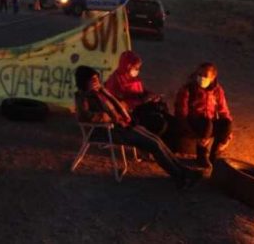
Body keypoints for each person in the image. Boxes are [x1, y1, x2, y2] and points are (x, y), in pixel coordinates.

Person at [74, 66, 202, 189]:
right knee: (153, 145)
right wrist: (108, 117)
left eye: (97, 78)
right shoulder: (83, 97)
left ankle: (184, 171)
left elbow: (117, 105)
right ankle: (179, 177)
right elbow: (85, 117)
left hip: (122, 125)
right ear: (84, 82)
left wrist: (122, 112)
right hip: (108, 130)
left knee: (156, 140)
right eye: (93, 80)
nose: (97, 82)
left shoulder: (101, 92)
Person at [174, 62, 233, 169]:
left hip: (208, 124)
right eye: (199, 75)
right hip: (194, 123)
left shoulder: (217, 90)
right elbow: (181, 113)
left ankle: (214, 157)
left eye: (205, 76)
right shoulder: (188, 89)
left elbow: (224, 111)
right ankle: (202, 155)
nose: (201, 78)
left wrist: (228, 133)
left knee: (227, 124)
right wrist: (187, 129)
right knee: (206, 123)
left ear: (212, 77)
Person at [104, 51, 168, 136]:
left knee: (163, 114)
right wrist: (141, 100)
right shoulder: (115, 81)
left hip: (141, 108)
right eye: (136, 68)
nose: (137, 70)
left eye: (138, 68)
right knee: (157, 123)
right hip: (131, 114)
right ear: (128, 66)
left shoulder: (135, 79)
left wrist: (152, 96)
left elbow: (143, 91)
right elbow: (119, 102)